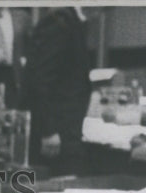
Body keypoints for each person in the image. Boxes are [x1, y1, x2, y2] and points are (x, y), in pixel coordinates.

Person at [23, 6, 93, 175]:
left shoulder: (71, 21)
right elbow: (39, 79)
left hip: (66, 129)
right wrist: (48, 130)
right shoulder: (59, 21)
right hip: (57, 132)